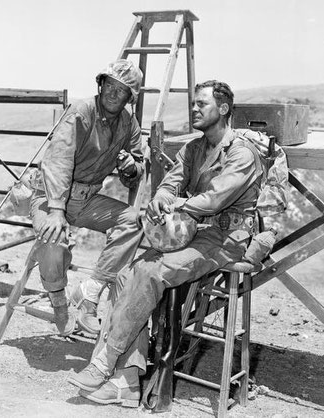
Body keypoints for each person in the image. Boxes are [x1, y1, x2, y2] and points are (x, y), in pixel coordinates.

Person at [67, 79, 263, 407]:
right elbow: (171, 181)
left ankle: (104, 365)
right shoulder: (195, 148)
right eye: (195, 104)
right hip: (192, 233)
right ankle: (127, 381)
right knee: (129, 271)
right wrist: (162, 196)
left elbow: (215, 200)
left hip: (226, 239)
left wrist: (176, 205)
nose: (195, 108)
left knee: (149, 274)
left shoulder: (241, 153)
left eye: (202, 104)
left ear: (224, 109)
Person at [30, 59, 144, 336]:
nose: (113, 94)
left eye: (122, 91)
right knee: (53, 238)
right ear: (101, 84)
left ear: (130, 98)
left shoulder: (129, 123)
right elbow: (58, 161)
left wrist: (131, 168)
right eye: (110, 86)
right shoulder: (82, 111)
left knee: (132, 222)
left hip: (85, 200)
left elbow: (137, 166)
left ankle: (89, 294)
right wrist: (56, 211)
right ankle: (59, 302)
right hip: (50, 196)